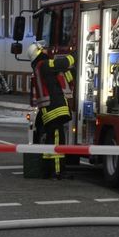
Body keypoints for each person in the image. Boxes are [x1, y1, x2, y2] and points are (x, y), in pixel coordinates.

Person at [27, 41, 75, 179]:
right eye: (43, 51)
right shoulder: (44, 65)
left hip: (48, 111)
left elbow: (65, 77)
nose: (46, 52)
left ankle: (48, 170)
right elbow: (62, 63)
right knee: (56, 141)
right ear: (39, 52)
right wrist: (74, 56)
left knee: (51, 141)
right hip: (55, 109)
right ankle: (57, 172)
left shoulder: (37, 69)